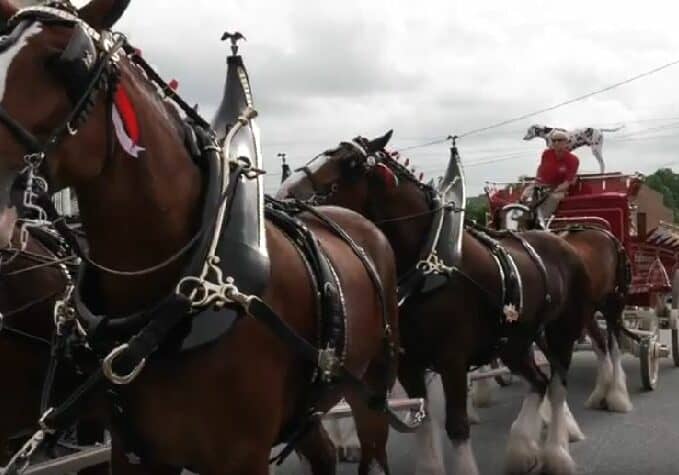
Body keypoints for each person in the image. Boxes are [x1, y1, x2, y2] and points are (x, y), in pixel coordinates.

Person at [522, 130, 579, 225]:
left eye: (560, 140)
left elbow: (566, 183)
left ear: (567, 142)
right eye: (554, 140)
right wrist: (536, 182)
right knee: (525, 195)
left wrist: (551, 190)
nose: (556, 143)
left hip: (558, 189)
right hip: (541, 184)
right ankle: (521, 218)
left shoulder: (573, 160)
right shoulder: (546, 154)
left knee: (552, 198)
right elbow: (540, 168)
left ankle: (541, 222)